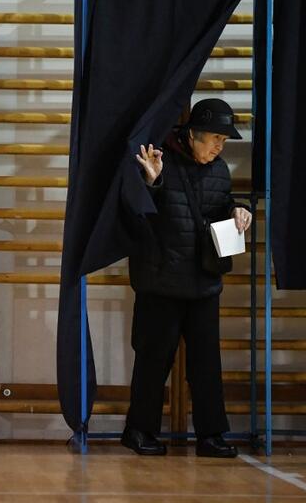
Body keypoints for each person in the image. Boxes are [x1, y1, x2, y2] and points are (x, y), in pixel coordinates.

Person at [121, 98, 253, 458]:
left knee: (207, 364)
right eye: (215, 138)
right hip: (160, 281)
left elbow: (222, 203)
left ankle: (211, 436)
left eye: (224, 140)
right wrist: (151, 181)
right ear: (192, 134)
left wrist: (239, 210)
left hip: (203, 282)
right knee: (153, 361)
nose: (219, 146)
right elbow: (136, 211)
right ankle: (138, 430)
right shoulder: (159, 161)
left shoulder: (219, 169)